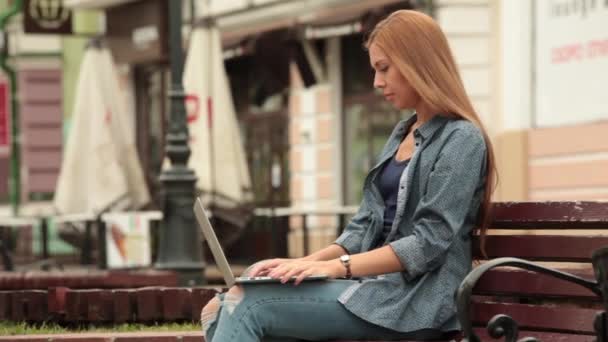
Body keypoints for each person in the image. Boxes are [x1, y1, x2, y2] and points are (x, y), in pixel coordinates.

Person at [200, 9, 497, 342]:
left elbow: (429, 243)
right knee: (218, 306)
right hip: (371, 290)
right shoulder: (402, 134)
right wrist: (302, 263)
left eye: (384, 68)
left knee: (247, 306)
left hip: (414, 302)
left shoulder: (461, 139)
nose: (376, 82)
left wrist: (337, 267)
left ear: (419, 63)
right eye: (374, 70)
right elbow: (364, 226)